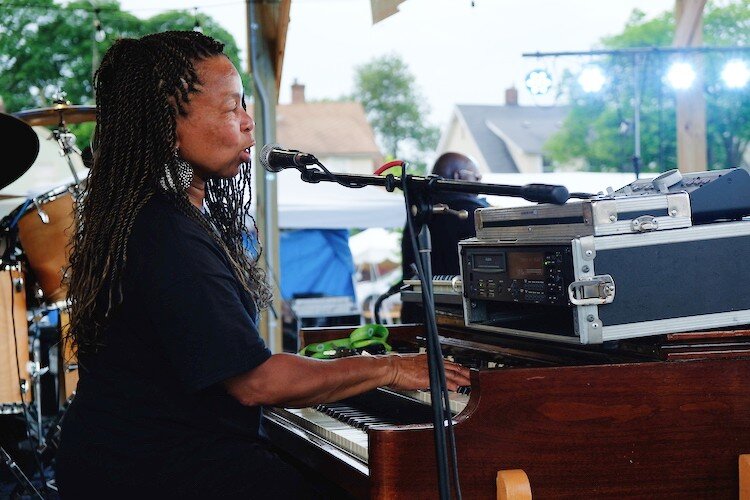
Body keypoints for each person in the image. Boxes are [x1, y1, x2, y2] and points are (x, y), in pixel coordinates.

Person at [54, 31, 470, 498]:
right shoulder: (166, 234)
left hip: (137, 460)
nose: (250, 123)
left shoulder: (155, 217)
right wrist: (392, 369)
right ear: (167, 123)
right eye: (232, 108)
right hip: (157, 474)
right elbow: (257, 381)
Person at [400, 152, 490, 322]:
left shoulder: (418, 210)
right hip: (463, 317)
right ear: (458, 175)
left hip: (417, 314)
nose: (480, 183)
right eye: (476, 177)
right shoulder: (473, 212)